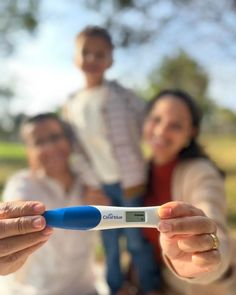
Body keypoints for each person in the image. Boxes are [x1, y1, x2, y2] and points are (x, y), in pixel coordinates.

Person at [63, 26, 161, 295]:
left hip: (131, 181)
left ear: (111, 61)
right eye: (86, 53)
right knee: (108, 240)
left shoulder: (124, 96)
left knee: (135, 238)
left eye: (100, 54)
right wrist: (90, 183)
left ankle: (149, 286)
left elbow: (150, 122)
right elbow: (76, 151)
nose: (92, 59)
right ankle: (115, 287)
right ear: (75, 57)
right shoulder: (71, 104)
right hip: (101, 187)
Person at [1, 113, 109, 295]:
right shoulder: (21, 184)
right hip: (31, 291)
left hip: (84, 290)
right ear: (29, 151)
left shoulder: (89, 182)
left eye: (55, 137)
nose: (49, 147)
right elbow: (14, 208)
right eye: (39, 142)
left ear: (69, 142)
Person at [142, 89, 234, 294]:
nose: (161, 131)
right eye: (156, 119)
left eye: (175, 125)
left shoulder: (201, 172)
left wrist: (205, 259)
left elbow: (213, 220)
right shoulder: (138, 173)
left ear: (191, 132)